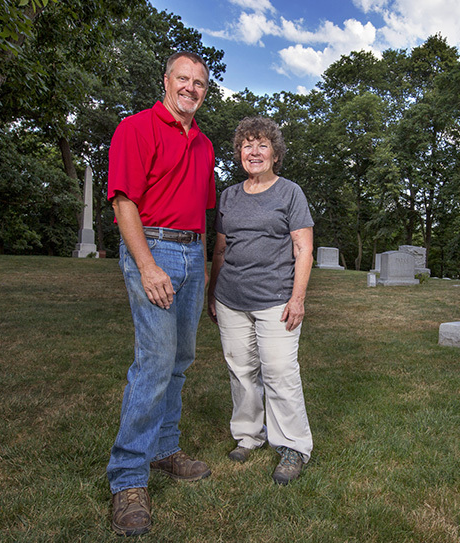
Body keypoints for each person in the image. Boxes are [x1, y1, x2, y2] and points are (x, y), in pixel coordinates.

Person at [105, 51, 216, 537]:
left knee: (181, 358)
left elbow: (204, 214)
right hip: (154, 247)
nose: (190, 88)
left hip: (193, 251)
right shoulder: (135, 128)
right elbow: (124, 200)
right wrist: (147, 265)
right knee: (153, 361)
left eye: (199, 84)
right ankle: (128, 478)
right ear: (166, 82)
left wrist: (209, 272)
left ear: (205, 92)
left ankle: (164, 449)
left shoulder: (206, 145)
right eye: (183, 79)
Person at [207, 116, 314, 485]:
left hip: (275, 299)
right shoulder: (229, 196)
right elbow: (220, 250)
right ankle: (248, 435)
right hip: (231, 299)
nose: (254, 151)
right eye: (247, 144)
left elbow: (304, 249)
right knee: (241, 371)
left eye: (262, 144)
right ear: (239, 153)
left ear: (275, 154)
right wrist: (212, 294)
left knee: (281, 372)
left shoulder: (290, 193)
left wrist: (297, 298)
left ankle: (293, 446)